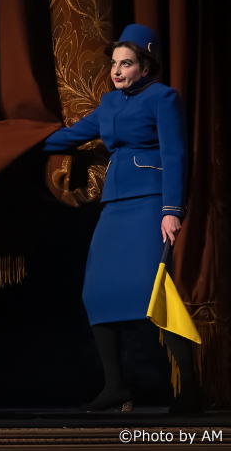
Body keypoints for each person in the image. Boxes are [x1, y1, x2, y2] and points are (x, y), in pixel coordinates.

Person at [44, 24, 202, 413]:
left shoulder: (164, 98)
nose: (116, 70)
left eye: (126, 63)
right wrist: (25, 144)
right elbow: (72, 136)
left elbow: (175, 155)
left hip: (150, 203)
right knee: (96, 292)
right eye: (114, 63)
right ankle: (116, 386)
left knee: (155, 292)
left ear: (145, 66)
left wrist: (171, 211)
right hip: (114, 204)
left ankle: (190, 389)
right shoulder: (109, 103)